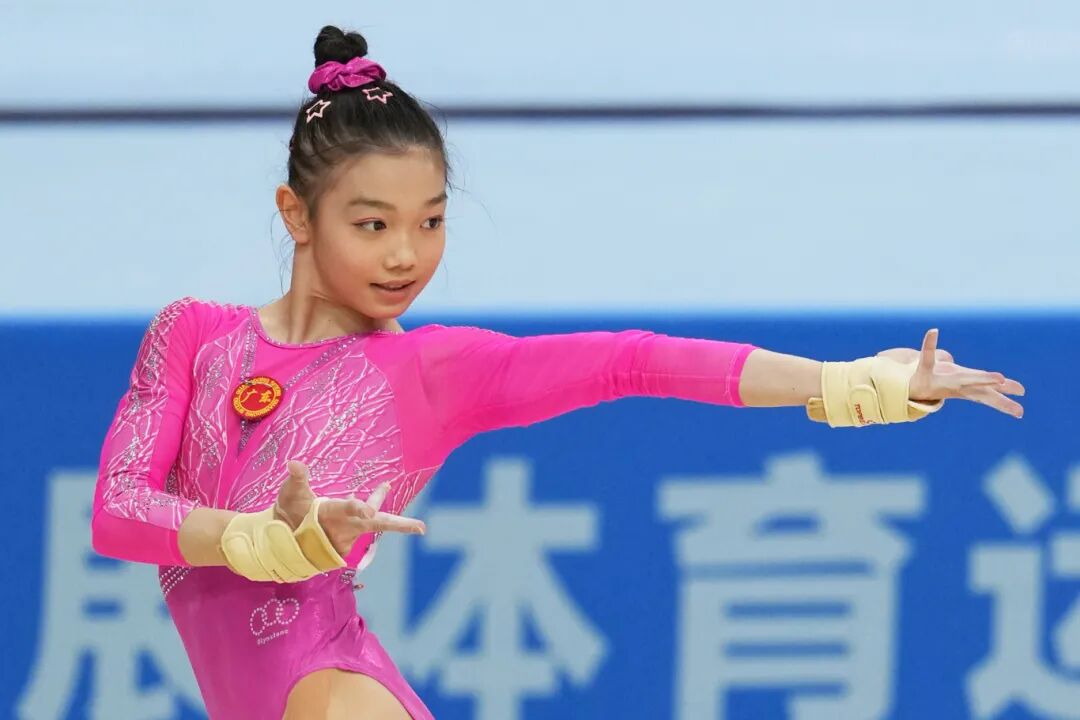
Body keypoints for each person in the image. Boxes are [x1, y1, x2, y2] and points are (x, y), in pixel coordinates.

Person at [90, 25, 1026, 720]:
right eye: (372, 224)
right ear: (297, 214)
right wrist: (263, 540)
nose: (407, 254)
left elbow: (633, 362)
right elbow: (119, 511)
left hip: (333, 693)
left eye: (432, 221)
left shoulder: (430, 371)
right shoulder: (193, 335)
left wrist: (849, 384)